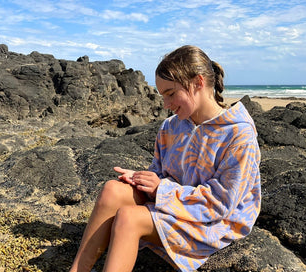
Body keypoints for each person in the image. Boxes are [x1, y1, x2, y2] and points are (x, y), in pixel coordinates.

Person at [69, 45, 261, 272]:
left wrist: (162, 189)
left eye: (170, 93)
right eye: (162, 95)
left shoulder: (238, 134)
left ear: (198, 82)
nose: (165, 104)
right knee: (113, 189)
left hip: (215, 220)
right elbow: (161, 172)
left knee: (129, 218)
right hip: (176, 202)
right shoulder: (171, 127)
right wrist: (143, 179)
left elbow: (221, 203)